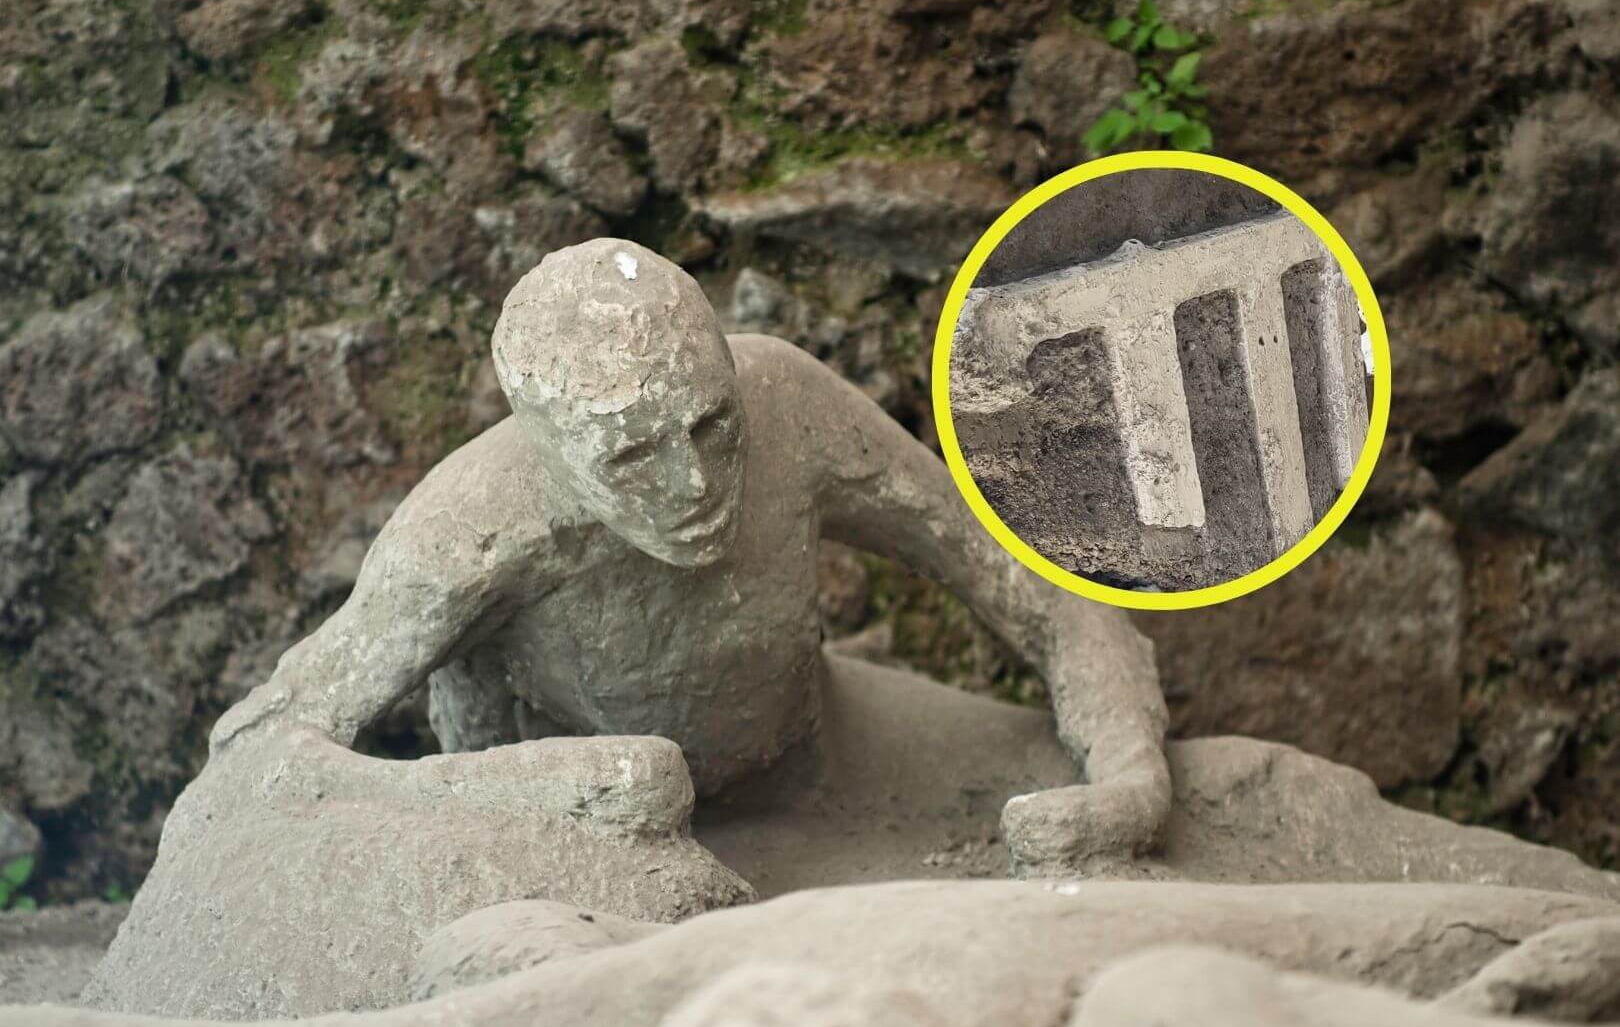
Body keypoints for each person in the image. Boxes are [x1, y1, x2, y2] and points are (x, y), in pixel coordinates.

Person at [210, 237, 1171, 872]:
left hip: (818, 767)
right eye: (633, 457)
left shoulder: (786, 401)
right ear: (549, 451)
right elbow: (261, 752)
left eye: (713, 425)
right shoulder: (467, 531)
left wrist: (1129, 772)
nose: (694, 482)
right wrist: (539, 789)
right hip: (574, 862)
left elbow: (1028, 579)